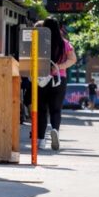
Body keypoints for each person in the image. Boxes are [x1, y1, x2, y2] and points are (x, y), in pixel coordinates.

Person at [36, 17, 77, 151]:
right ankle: (55, 131)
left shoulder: (40, 42)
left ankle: (41, 140)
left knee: (41, 110)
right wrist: (59, 66)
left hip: (42, 79)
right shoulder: (64, 43)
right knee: (56, 109)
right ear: (58, 27)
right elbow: (73, 59)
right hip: (59, 79)